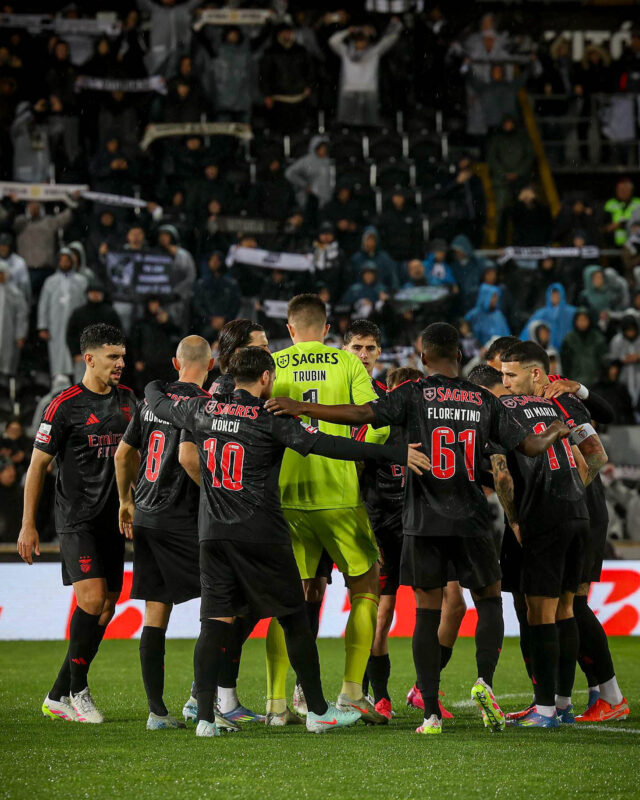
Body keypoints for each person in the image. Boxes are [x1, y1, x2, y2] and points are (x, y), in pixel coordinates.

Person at [266, 322, 570, 734]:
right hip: (471, 518)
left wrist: (304, 409)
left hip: (423, 520)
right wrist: (556, 428)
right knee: (488, 600)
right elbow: (530, 446)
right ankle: (484, 680)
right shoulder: (483, 397)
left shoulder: (413, 392)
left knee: (426, 612)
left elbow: (361, 413)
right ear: (460, 356)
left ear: (423, 357)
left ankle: (430, 713)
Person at [143, 347, 429, 737]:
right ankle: (318, 711)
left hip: (212, 535)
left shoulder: (201, 410)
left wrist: (155, 381)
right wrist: (394, 451)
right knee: (294, 619)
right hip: (262, 534)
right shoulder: (268, 419)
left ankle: (206, 718)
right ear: (265, 378)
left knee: (214, 623)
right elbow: (329, 445)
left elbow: (158, 401)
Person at [265, 294, 392, 725]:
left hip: (286, 497)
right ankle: (353, 692)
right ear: (326, 328)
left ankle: (276, 704)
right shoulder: (347, 362)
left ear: (290, 328)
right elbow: (376, 420)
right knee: (366, 587)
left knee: (288, 599)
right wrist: (359, 454)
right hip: (339, 494)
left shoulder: (273, 364)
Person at [498, 343, 628, 724]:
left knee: (570, 606)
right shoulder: (539, 403)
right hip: (570, 508)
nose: (505, 384)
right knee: (557, 606)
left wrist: (566, 491)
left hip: (578, 508)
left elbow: (595, 452)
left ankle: (607, 695)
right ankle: (569, 699)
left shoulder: (559, 399)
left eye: (510, 375)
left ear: (535, 373)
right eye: (501, 375)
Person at [344, 320, 464, 720]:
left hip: (425, 522)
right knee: (382, 612)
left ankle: (424, 687)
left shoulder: (425, 423)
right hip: (383, 526)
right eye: (357, 348)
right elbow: (358, 471)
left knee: (454, 604)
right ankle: (378, 694)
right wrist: (365, 525)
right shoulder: (375, 421)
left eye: (370, 348)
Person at [17, 324, 134, 724]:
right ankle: (78, 691)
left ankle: (57, 695)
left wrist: (132, 501)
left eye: (122, 356)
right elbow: (37, 466)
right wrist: (28, 525)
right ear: (89, 359)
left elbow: (133, 457)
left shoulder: (128, 400)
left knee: (106, 608)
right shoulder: (63, 406)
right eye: (112, 357)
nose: (120, 363)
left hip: (113, 520)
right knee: (91, 600)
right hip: (76, 519)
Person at [470, 359, 589, 728]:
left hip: (543, 516)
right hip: (578, 512)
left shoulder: (496, 411)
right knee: (566, 609)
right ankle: (563, 705)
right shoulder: (548, 404)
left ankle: (545, 710)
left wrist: (515, 520)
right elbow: (588, 461)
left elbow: (502, 477)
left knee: (540, 613)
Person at [115, 337, 218, 731]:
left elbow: (123, 455)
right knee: (225, 604)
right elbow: (188, 458)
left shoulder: (149, 404)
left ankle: (157, 713)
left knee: (156, 612)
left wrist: (126, 500)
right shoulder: (204, 405)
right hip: (182, 520)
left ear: (176, 363)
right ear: (211, 365)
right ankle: (203, 700)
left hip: (146, 516)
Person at [329, 19, 402, 127]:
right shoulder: (346, 52)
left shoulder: (373, 52)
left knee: (370, 126)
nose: (361, 43)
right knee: (347, 125)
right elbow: (333, 41)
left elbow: (389, 40)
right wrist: (349, 31)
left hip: (369, 92)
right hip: (349, 92)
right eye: (358, 39)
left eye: (363, 39)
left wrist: (396, 25)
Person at [37, 248, 88, 381]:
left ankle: (78, 380)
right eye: (62, 260)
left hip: (76, 324)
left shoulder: (81, 281)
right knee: (57, 351)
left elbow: (85, 304)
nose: (64, 263)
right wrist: (43, 326)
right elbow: (43, 305)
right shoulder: (50, 281)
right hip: (55, 323)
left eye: (67, 260)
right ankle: (59, 379)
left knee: (76, 350)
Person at [66, 281, 123, 383]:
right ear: (88, 294)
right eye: (93, 293)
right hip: (84, 355)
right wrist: (75, 353)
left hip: (105, 356)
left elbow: (118, 334)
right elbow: (71, 334)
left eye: (98, 293)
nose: (95, 295)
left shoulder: (110, 313)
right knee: (82, 383)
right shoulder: (79, 313)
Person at [521, 283, 576, 350]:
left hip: (567, 349)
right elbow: (529, 331)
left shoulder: (571, 312)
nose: (555, 297)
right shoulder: (541, 313)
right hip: (546, 349)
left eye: (558, 294)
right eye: (553, 294)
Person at [560, 310, 607, 388]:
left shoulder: (598, 338)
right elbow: (565, 363)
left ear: (590, 320)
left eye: (584, 319)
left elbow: (603, 361)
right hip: (574, 382)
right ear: (575, 321)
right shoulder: (569, 339)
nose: (582, 323)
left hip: (596, 382)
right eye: (579, 320)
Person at [285, 136, 332, 210]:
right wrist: (304, 184)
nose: (324, 150)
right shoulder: (306, 161)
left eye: (325, 148)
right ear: (315, 148)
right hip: (310, 199)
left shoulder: (327, 162)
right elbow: (289, 173)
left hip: (325, 199)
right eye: (322, 148)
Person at [0, 260, 28, 378]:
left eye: (2, 273)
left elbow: (21, 315)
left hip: (9, 333)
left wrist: (20, 334)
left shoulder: (15, 293)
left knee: (8, 362)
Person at [608, 315, 640, 406]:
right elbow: (613, 361)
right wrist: (622, 360)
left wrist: (638, 358)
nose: (631, 333)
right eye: (628, 330)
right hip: (623, 377)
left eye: (632, 329)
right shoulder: (617, 340)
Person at [603, 177, 640, 247]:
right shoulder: (610, 204)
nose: (623, 192)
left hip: (635, 245)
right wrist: (609, 227)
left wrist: (624, 224)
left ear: (631, 190)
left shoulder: (638, 203)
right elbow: (604, 225)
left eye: (626, 189)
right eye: (620, 189)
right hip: (614, 244)